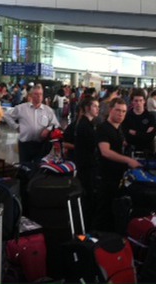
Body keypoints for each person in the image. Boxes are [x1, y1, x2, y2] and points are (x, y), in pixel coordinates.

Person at [93, 98, 142, 231]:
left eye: (124, 111)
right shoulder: (103, 128)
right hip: (105, 176)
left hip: (117, 177)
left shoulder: (119, 128)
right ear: (110, 110)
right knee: (103, 212)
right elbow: (105, 152)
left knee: (114, 210)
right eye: (118, 110)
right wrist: (128, 160)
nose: (121, 114)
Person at [64, 96, 99, 229]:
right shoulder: (85, 125)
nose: (97, 109)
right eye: (95, 106)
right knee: (88, 194)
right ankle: (87, 225)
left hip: (84, 163)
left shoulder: (86, 124)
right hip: (86, 165)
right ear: (87, 108)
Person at [4, 84, 59, 163]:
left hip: (41, 145)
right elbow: (6, 115)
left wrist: (48, 129)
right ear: (31, 95)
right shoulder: (21, 108)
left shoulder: (48, 110)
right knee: (25, 168)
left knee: (38, 168)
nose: (39, 96)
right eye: (36, 94)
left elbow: (56, 124)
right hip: (25, 145)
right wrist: (16, 126)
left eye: (40, 94)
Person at [121, 88, 156, 156]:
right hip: (130, 151)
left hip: (147, 152)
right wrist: (143, 134)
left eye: (141, 100)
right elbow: (126, 135)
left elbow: (150, 137)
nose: (138, 103)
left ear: (144, 101)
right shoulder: (127, 116)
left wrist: (135, 133)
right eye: (136, 101)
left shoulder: (150, 117)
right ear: (132, 101)